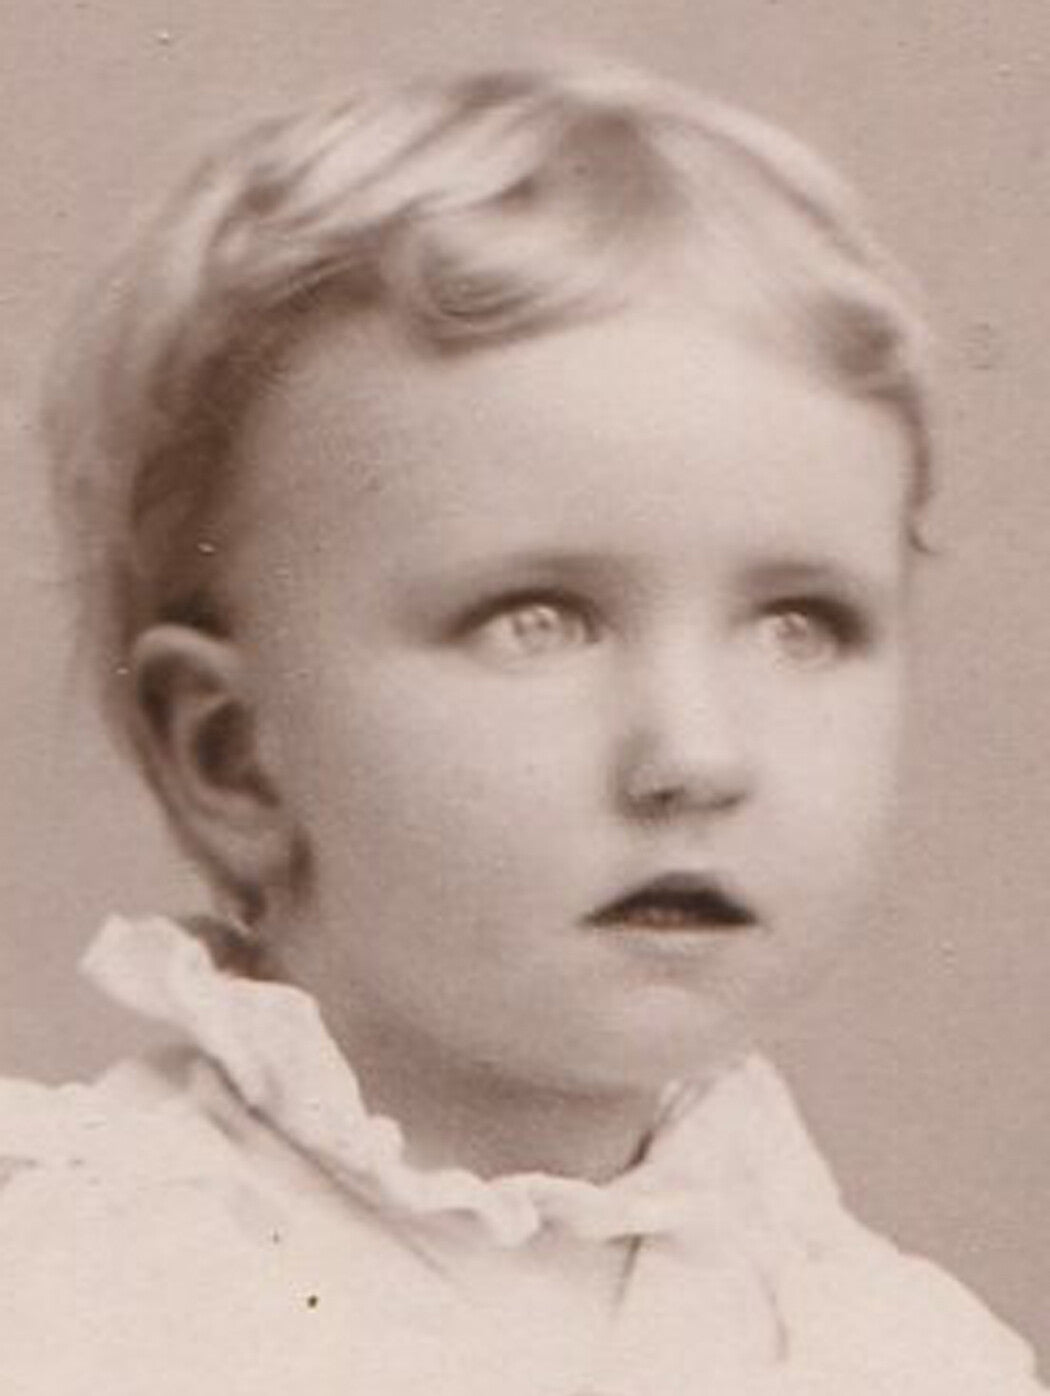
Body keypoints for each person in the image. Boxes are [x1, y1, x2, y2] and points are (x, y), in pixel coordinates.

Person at [0, 61, 1042, 1394]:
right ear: (231, 753)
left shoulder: (899, 1353)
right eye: (537, 620)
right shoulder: (82, 1302)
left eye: (798, 624)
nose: (697, 755)